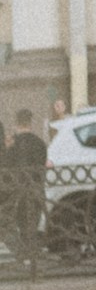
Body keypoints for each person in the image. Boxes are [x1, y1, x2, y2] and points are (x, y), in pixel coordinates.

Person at [2, 108, 45, 256]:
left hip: (16, 192)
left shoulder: (13, 144)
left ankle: (22, 254)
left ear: (16, 123)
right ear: (30, 122)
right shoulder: (40, 143)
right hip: (36, 190)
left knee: (15, 224)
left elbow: (6, 166)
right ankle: (32, 255)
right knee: (32, 225)